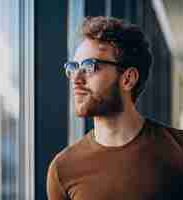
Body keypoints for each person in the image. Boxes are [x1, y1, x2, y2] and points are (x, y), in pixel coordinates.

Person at [47, 16, 183, 200]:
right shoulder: (62, 169)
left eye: (89, 66)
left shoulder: (178, 149)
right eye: (73, 67)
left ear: (128, 78)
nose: (76, 79)